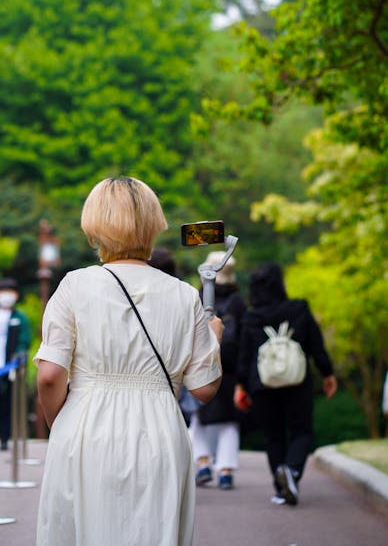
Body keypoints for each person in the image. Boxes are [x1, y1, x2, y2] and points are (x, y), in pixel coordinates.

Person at [35, 176, 223, 546]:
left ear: (94, 228)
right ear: (154, 225)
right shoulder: (185, 296)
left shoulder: (74, 285)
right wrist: (214, 339)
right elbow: (203, 388)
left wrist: (62, 420)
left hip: (86, 424)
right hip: (160, 429)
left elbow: (50, 375)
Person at [234, 262, 337, 506]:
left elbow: (244, 355)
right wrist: (328, 373)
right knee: (301, 431)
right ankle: (291, 471)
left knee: (273, 437)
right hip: (296, 381)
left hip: (262, 384)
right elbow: (315, 344)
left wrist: (240, 385)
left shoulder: (251, 316)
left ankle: (281, 489)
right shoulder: (299, 308)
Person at [189, 251, 246, 490]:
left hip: (199, 365)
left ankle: (202, 463)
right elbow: (245, 340)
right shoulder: (238, 302)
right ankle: (225, 470)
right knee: (228, 422)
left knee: (197, 417)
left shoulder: (198, 297)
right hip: (230, 369)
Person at [0, 277, 31, 450]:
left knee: (8, 402)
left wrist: (17, 361)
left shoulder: (20, 317)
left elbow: (24, 341)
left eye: (10, 291)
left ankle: (5, 437)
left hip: (10, 367)